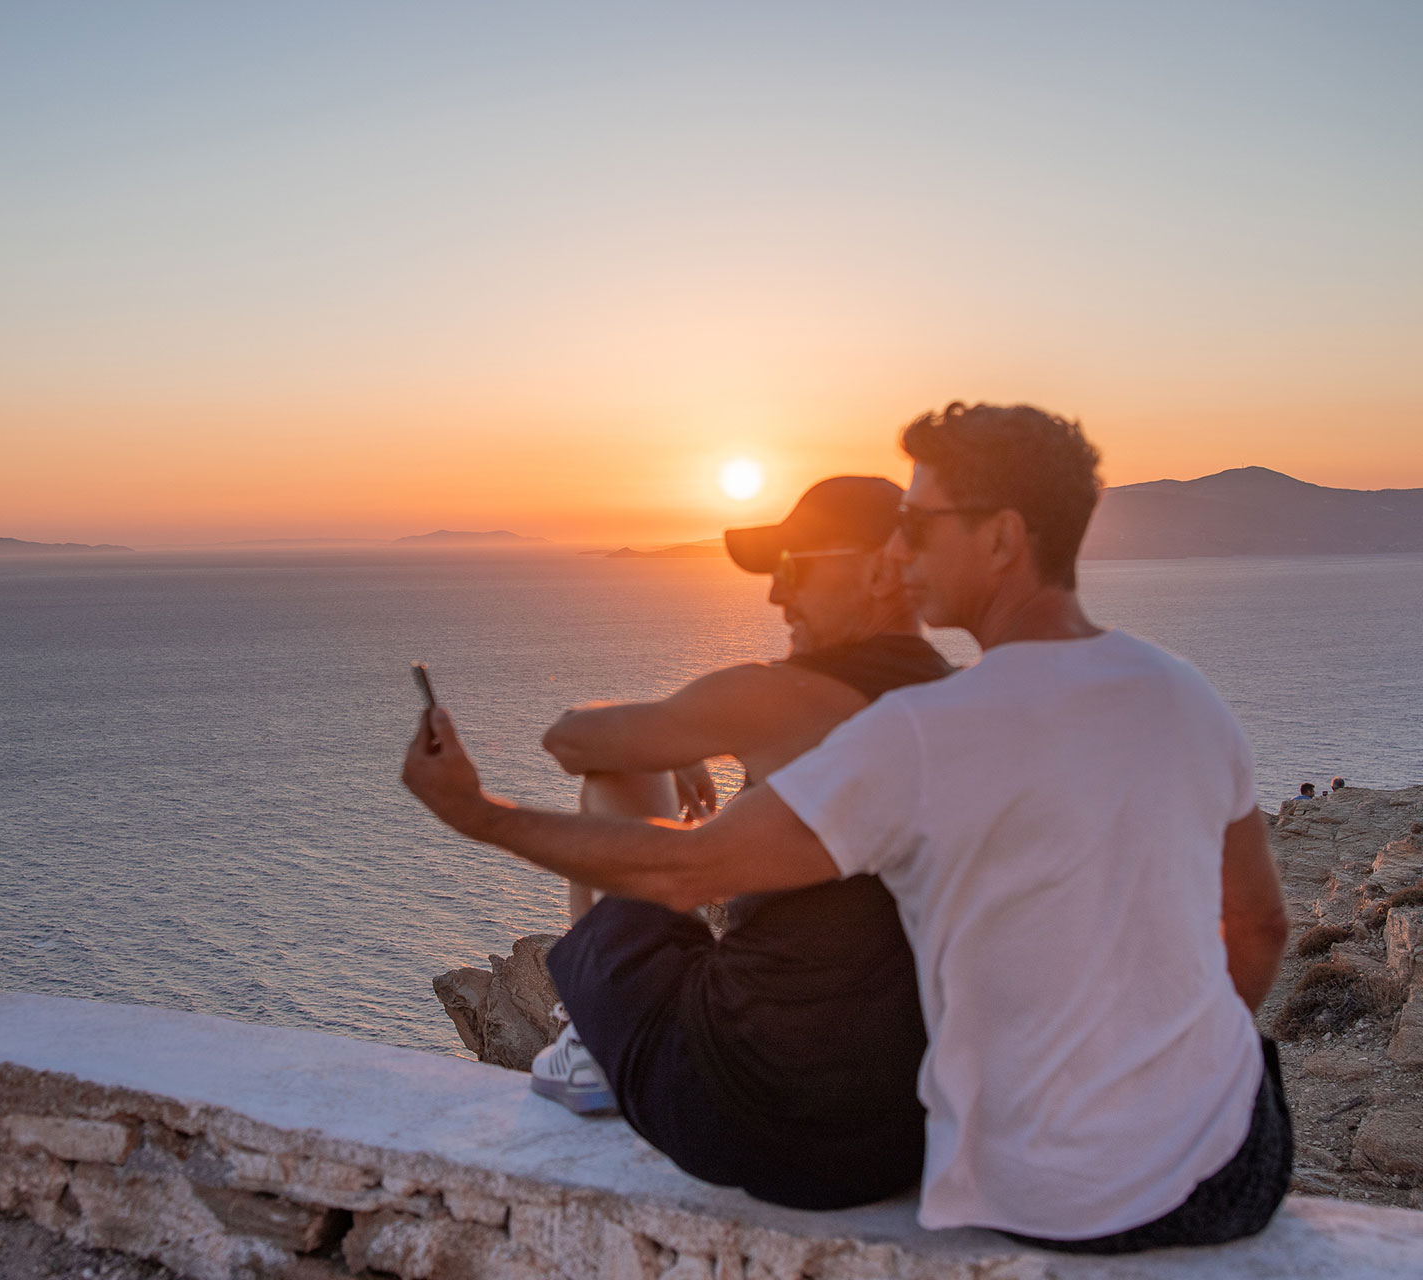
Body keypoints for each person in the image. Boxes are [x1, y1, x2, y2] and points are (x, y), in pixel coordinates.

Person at [402, 403, 1291, 1253]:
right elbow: (1257, 927)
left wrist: (479, 814)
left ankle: (590, 1047)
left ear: (1002, 537)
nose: (900, 548)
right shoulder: (1182, 691)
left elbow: (685, 872)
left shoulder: (928, 732)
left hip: (1046, 1196)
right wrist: (1164, 1074)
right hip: (1237, 1164)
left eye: (920, 520)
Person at [530, 476, 953, 1210]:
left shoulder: (780, 696)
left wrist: (664, 739)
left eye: (795, 569)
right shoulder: (957, 699)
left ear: (882, 568)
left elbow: (570, 739)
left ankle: (585, 1047)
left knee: (613, 777)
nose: (775, 598)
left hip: (753, 1118)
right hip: (903, 1130)